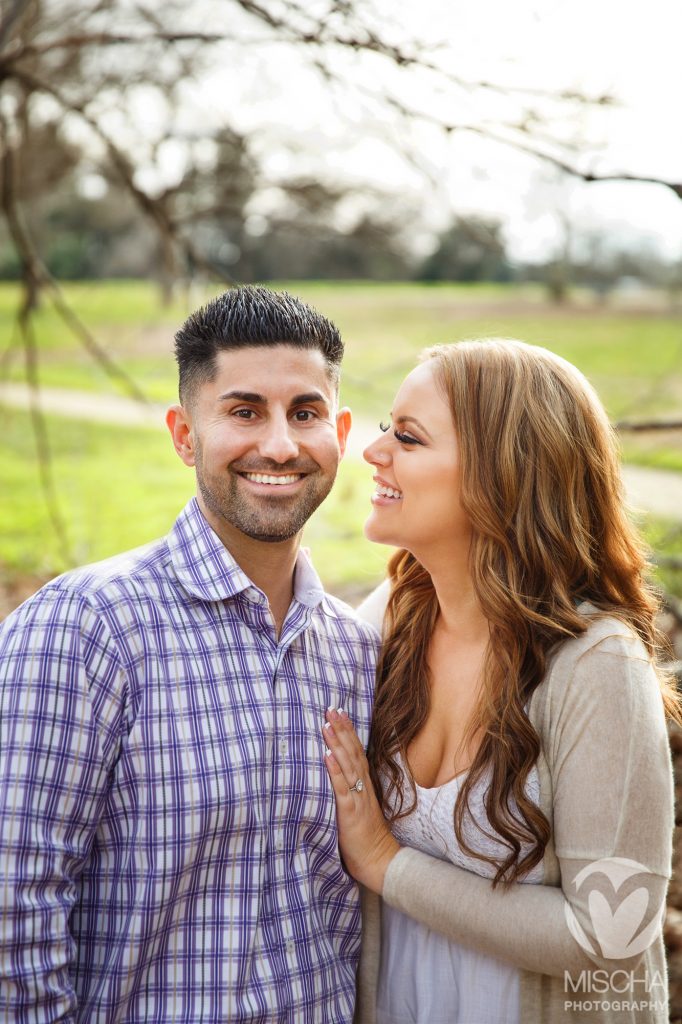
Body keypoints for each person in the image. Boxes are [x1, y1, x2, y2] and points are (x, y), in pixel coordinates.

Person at [0, 285, 379, 1023]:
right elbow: (12, 905)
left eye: (305, 413)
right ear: (183, 435)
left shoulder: (356, 652)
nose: (279, 444)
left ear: (339, 431)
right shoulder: (84, 629)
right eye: (243, 411)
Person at [321, 339, 678, 1024]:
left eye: (409, 437)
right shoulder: (397, 614)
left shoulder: (597, 665)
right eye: (385, 428)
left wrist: (387, 864)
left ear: (501, 476)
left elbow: (611, 937)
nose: (374, 452)